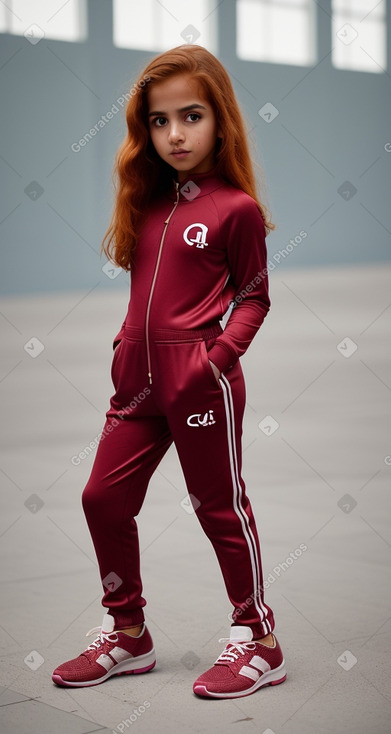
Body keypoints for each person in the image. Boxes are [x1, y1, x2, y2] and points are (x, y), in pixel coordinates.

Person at [52, 44, 286, 699]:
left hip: (200, 385)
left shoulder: (233, 209)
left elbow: (255, 295)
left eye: (190, 116)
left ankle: (258, 641)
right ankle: (128, 634)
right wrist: (128, 347)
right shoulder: (147, 202)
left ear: (220, 121)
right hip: (136, 386)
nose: (175, 133)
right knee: (101, 497)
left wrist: (213, 359)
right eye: (159, 121)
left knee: (219, 506)